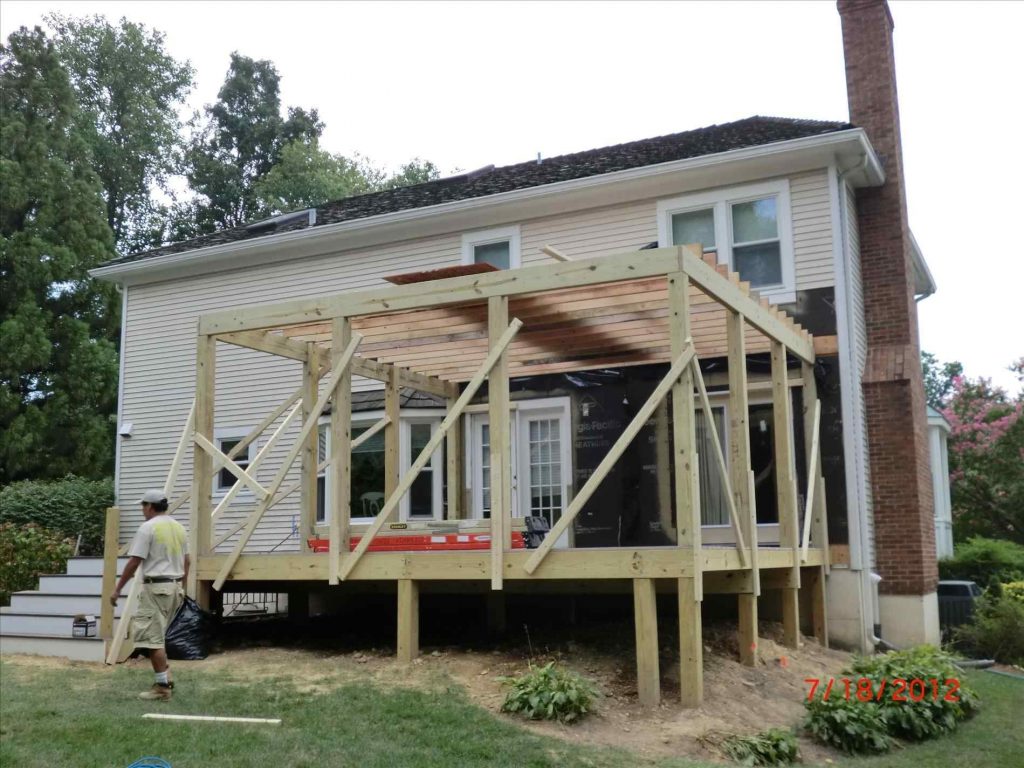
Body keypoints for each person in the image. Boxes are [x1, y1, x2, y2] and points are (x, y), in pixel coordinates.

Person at [110, 489, 190, 701]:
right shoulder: (179, 528)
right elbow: (187, 561)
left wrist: (118, 589)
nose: (142, 510)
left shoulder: (148, 528)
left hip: (156, 588)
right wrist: (182, 586)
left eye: (143, 506)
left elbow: (134, 562)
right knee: (158, 636)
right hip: (174, 589)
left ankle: (162, 687)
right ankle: (166, 676)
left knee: (152, 640)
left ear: (150, 507)